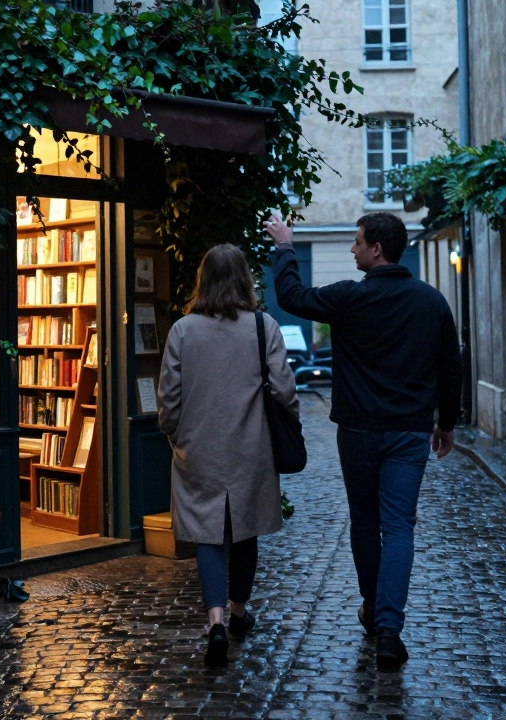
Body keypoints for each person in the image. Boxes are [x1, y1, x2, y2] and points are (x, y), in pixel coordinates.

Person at [265, 211, 461, 669]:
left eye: (356, 242)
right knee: (398, 526)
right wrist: (447, 422)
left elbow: (292, 297)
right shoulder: (430, 301)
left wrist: (286, 247)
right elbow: (449, 367)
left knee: (365, 524)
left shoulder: (349, 299)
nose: (352, 249)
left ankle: (375, 611)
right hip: (410, 433)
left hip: (357, 433)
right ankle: (389, 627)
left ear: (376, 249)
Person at [158, 243, 299, 667]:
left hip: (197, 448)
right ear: (244, 279)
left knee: (207, 533)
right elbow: (285, 389)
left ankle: (215, 621)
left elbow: (168, 398)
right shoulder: (263, 326)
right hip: (250, 447)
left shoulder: (183, 329)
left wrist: (175, 434)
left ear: (204, 279)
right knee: (245, 530)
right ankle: (238, 612)